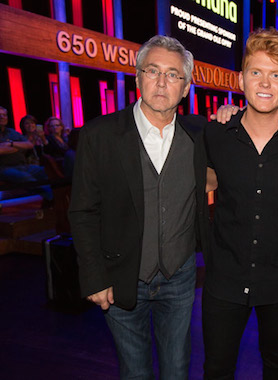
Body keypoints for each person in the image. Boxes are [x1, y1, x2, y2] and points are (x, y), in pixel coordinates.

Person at [68, 35, 209, 379]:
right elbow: (83, 211)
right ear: (137, 77)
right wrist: (94, 277)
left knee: (177, 370)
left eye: (174, 74)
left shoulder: (202, 134)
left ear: (186, 87)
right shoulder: (100, 135)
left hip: (179, 277)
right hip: (119, 278)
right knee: (134, 371)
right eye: (153, 70)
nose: (162, 82)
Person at [202, 28, 278, 379]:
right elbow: (206, 184)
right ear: (241, 79)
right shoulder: (216, 134)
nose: (265, 83)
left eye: (276, 75)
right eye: (256, 72)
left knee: (275, 362)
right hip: (225, 277)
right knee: (216, 368)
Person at [0, 108, 53, 203]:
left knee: (44, 172)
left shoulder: (11, 132)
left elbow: (29, 145)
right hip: (4, 168)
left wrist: (10, 144)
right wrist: (19, 146)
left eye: (4, 115)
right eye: (0, 115)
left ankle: (52, 198)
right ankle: (48, 200)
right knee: (26, 177)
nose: (2, 117)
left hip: (23, 165)